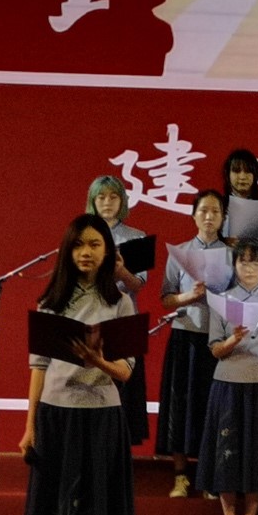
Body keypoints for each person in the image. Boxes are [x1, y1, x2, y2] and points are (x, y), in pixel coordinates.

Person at [16, 214, 136, 515]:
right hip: (55, 418)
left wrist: (97, 361)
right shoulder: (51, 301)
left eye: (95, 244)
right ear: (68, 251)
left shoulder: (120, 302)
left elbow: (126, 372)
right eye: (79, 245)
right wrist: (29, 426)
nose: (86, 252)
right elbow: (38, 368)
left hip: (102, 419)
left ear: (108, 251)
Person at [196, 240, 258, 515]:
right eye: (244, 262)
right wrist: (234, 340)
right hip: (227, 384)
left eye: (256, 262)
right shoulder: (223, 300)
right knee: (227, 450)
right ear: (234, 266)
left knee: (257, 451)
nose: (250, 268)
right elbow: (215, 349)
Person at [156, 190, 229, 497]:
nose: (209, 217)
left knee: (212, 407)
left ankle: (208, 476)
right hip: (185, 335)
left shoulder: (232, 254)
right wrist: (189, 296)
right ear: (193, 215)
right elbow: (166, 298)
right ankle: (180, 475)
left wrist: (218, 297)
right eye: (203, 211)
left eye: (215, 211)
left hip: (218, 339)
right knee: (180, 404)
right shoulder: (180, 253)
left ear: (223, 217)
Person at [85, 175, 150, 445]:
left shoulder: (137, 237)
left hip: (124, 320)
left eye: (113, 197)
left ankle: (121, 451)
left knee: (125, 391)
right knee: (89, 382)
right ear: (92, 201)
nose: (107, 202)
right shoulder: (83, 235)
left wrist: (121, 270)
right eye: (101, 197)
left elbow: (138, 285)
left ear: (122, 201)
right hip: (89, 318)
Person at [221, 148, 258, 243]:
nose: (242, 177)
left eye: (248, 171)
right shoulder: (217, 207)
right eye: (237, 171)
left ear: (255, 175)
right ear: (227, 175)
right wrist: (222, 242)